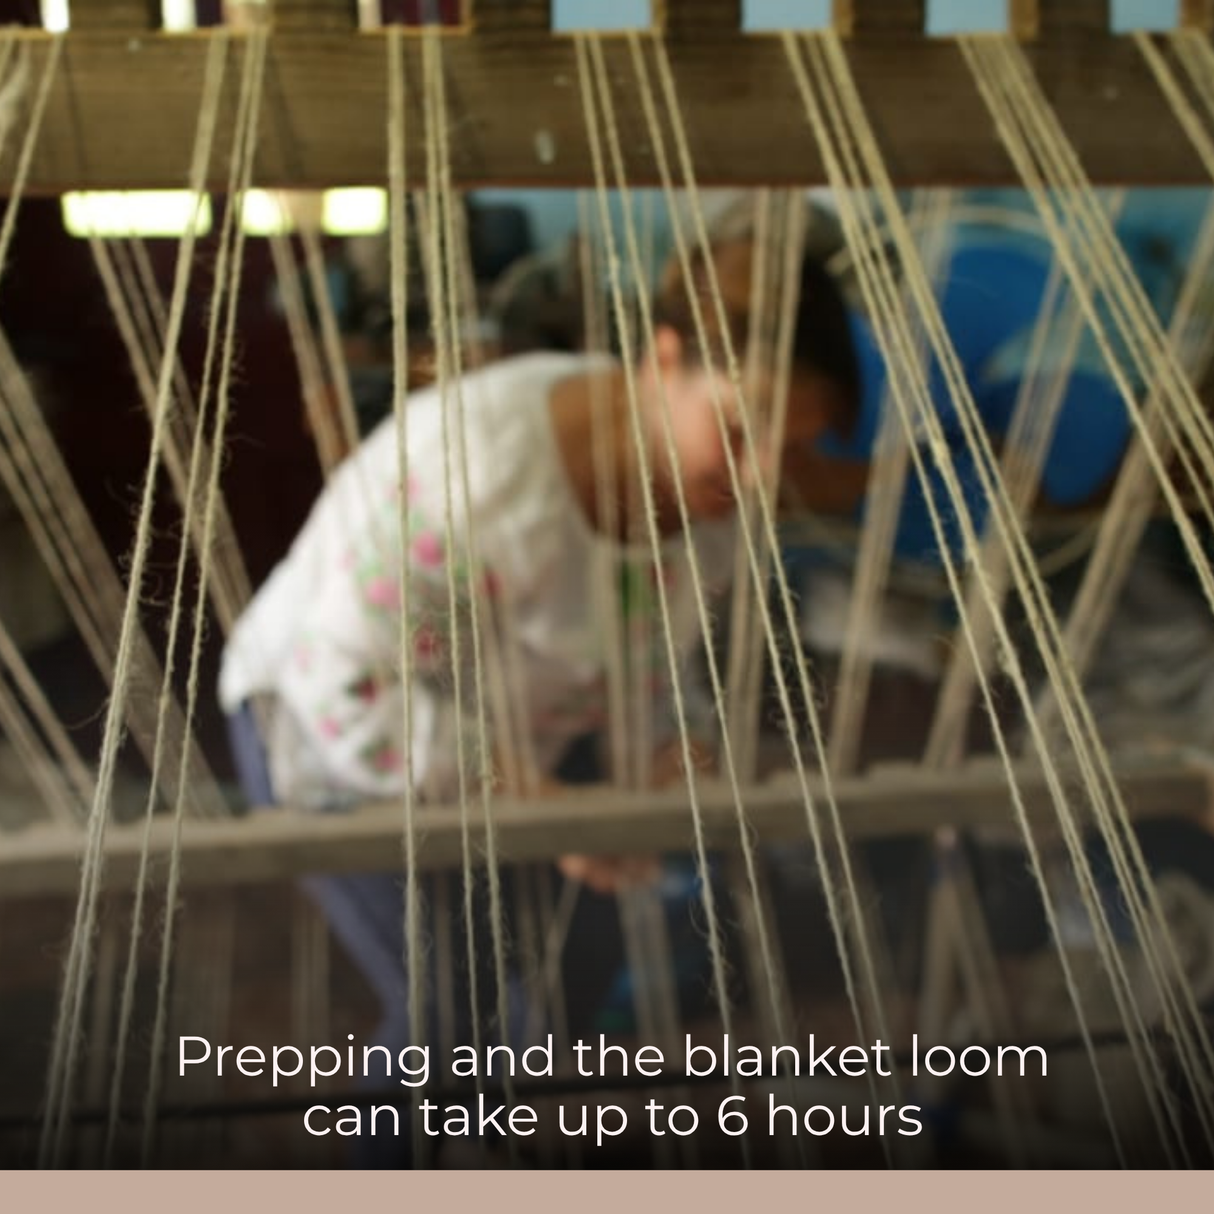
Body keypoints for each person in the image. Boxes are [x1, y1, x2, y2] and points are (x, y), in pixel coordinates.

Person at [217, 212, 862, 1165]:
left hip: (512, 739)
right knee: (454, 1011)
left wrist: (660, 748)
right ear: (664, 357)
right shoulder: (473, 475)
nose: (765, 475)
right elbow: (352, 689)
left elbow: (651, 652)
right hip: (328, 734)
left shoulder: (709, 495)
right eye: (741, 428)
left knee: (555, 985)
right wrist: (553, 810)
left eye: (795, 448)